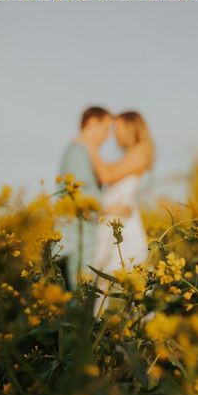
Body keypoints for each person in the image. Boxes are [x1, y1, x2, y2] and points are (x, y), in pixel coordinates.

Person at [89, 111, 153, 309]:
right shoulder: (129, 155)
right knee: (101, 279)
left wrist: (89, 145)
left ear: (131, 128)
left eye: (117, 128)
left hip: (122, 221)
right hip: (113, 216)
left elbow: (106, 175)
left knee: (129, 280)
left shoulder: (140, 151)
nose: (114, 134)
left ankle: (140, 335)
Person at [57, 106, 112, 289]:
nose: (107, 136)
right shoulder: (78, 152)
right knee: (79, 295)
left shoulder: (80, 151)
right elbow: (81, 198)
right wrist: (112, 209)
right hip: (76, 239)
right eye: (106, 129)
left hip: (81, 236)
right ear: (92, 123)